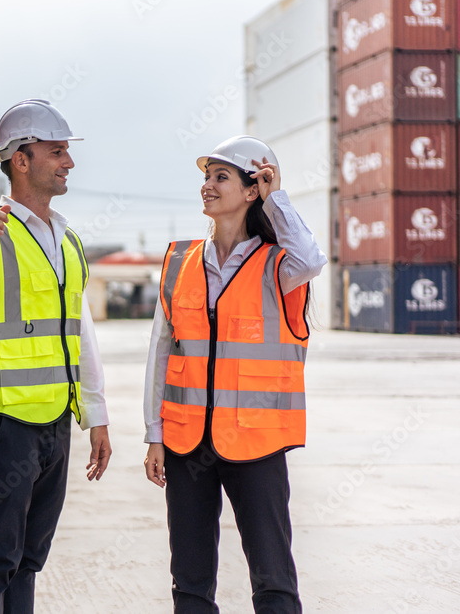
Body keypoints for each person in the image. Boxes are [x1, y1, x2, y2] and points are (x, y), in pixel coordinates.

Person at [142, 135, 327, 613]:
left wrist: (277, 198)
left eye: (220, 176)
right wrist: (154, 433)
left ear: (251, 191)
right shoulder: (179, 262)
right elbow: (161, 353)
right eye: (206, 177)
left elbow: (312, 259)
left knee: (273, 579)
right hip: (187, 444)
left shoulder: (278, 265)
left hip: (257, 444)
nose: (207, 185)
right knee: (190, 581)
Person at [0, 99, 112, 613]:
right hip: (4, 425)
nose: (69, 162)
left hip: (56, 420)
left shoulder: (69, 241)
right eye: (57, 151)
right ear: (21, 159)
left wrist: (97, 416)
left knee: (29, 560)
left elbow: (79, 332)